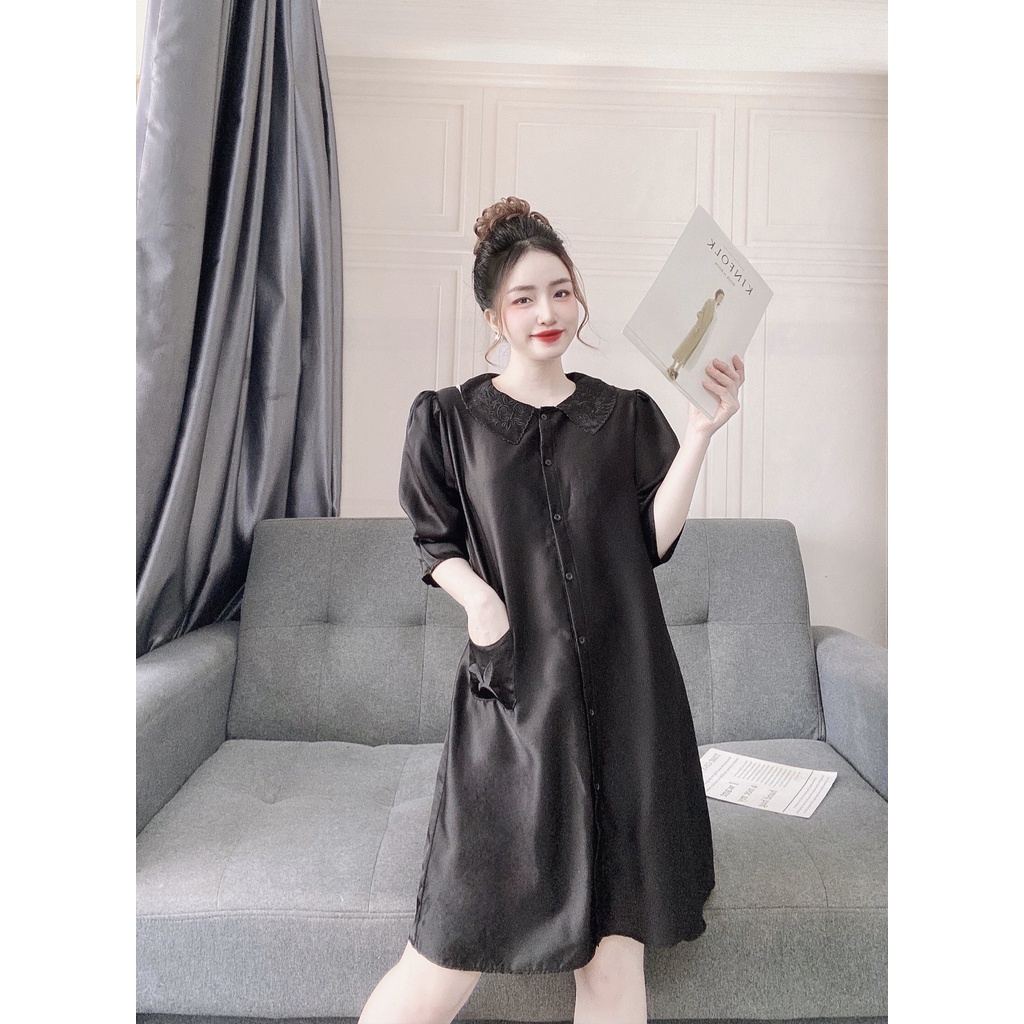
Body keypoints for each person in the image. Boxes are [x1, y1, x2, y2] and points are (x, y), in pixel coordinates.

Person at [358, 198, 744, 1024]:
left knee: (612, 968)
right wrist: (482, 604)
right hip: (515, 707)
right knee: (443, 959)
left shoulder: (624, 414)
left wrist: (700, 433)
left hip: (627, 702)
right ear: (492, 315)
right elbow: (435, 539)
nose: (548, 312)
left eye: (562, 292)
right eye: (525, 297)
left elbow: (652, 539)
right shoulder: (449, 420)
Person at [667, 288, 725, 380]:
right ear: (717, 295)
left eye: (722, 298)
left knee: (690, 352)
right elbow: (701, 313)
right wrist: (698, 325)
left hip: (702, 337)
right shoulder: (710, 302)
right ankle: (672, 366)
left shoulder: (716, 309)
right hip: (697, 331)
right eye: (720, 297)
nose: (721, 299)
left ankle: (677, 370)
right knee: (685, 347)